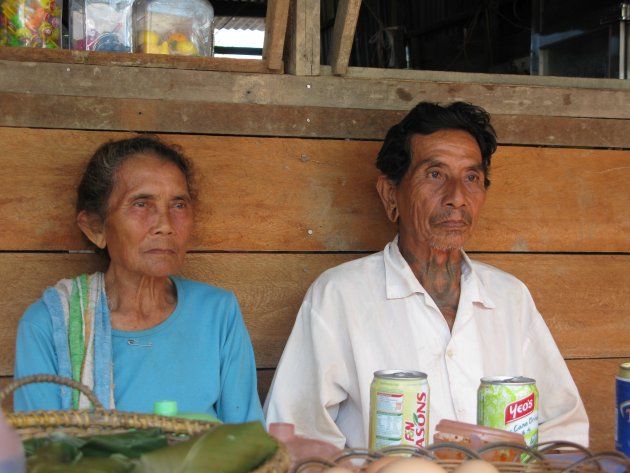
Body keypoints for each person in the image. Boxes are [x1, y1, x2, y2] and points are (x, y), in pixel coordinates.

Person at [264, 101, 589, 448]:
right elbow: (294, 436)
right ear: (391, 194)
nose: (457, 198)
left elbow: (561, 427)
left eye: (472, 178)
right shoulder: (340, 296)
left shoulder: (510, 298)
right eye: (435, 174)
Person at [14, 135, 264, 424]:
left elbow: (250, 441)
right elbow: (42, 457)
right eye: (141, 204)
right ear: (96, 227)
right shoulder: (49, 324)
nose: (165, 225)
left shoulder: (218, 312)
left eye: (179, 205)